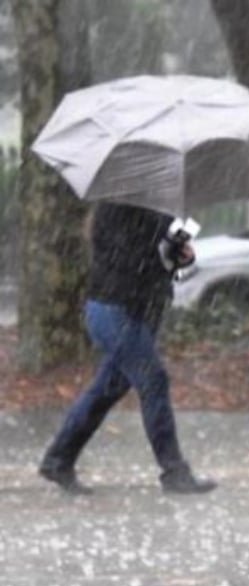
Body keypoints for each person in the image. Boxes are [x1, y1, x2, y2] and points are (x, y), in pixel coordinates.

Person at [38, 202, 217, 495]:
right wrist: (162, 252)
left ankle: (58, 460)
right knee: (153, 380)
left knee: (106, 390)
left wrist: (180, 255)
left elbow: (163, 265)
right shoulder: (115, 209)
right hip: (114, 311)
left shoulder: (153, 209)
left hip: (135, 312)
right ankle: (174, 471)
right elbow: (129, 261)